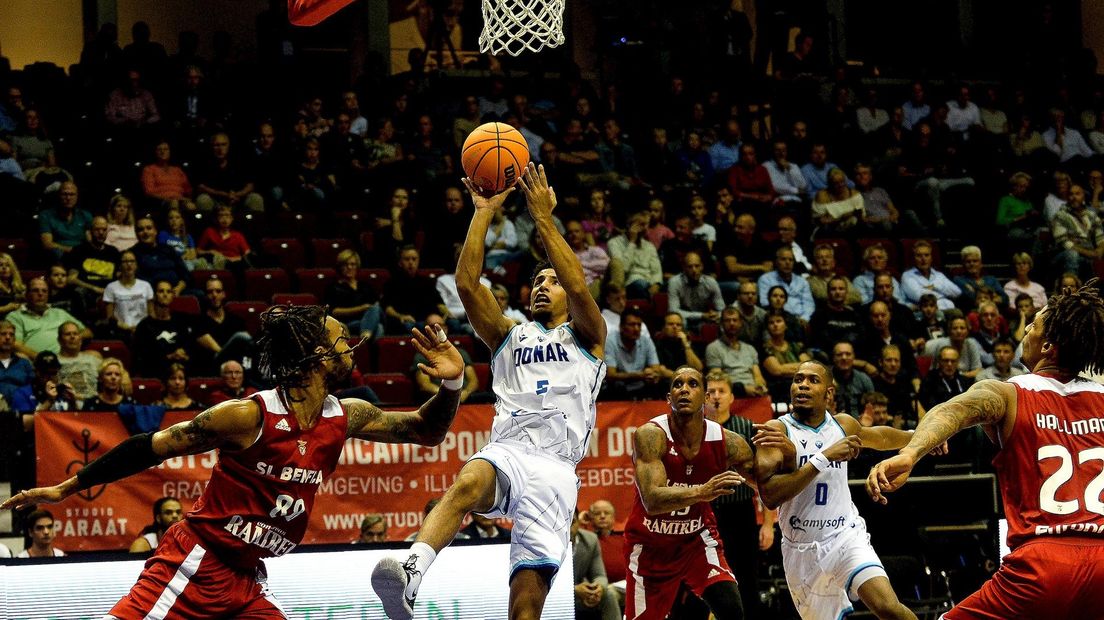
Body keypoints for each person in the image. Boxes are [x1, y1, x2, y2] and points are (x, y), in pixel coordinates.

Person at [1, 305, 466, 617]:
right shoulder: (247, 416)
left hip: (246, 578)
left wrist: (452, 383)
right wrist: (68, 486)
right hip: (196, 563)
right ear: (317, 356)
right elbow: (152, 444)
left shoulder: (343, 415)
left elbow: (426, 430)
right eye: (341, 341)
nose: (349, 348)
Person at [371, 163, 607, 620]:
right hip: (510, 449)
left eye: (551, 281)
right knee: (467, 481)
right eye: (537, 280)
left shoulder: (588, 336)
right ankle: (410, 577)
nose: (544, 285)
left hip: (557, 471)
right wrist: (483, 211)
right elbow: (466, 283)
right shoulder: (508, 335)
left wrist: (542, 218)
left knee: (525, 606)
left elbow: (577, 282)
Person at [866, 280, 1104, 619]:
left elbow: (951, 410)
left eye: (1032, 326)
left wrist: (911, 452)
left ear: (1048, 345)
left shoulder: (1009, 393)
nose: (1024, 333)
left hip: (1042, 563)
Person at [622, 366, 794, 619]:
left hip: (697, 542)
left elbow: (766, 488)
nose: (684, 389)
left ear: (705, 397)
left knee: (732, 609)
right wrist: (702, 491)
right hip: (650, 546)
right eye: (677, 384)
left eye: (693, 384)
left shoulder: (729, 442)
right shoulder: (650, 435)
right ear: (669, 398)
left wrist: (790, 456)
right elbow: (652, 501)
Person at [758, 361, 923, 620]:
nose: (802, 385)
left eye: (812, 380)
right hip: (802, 551)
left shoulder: (843, 425)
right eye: (798, 379)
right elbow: (770, 496)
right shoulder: (778, 431)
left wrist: (920, 438)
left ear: (829, 393)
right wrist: (823, 457)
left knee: (889, 608)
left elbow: (880, 437)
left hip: (844, 536)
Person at [704, 370, 778, 618]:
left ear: (732, 397)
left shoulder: (746, 428)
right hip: (706, 513)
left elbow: (764, 479)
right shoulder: (694, 430)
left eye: (721, 391)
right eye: (711, 392)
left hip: (741, 512)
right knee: (705, 578)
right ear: (704, 398)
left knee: (747, 577)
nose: (716, 397)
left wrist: (768, 524)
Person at [571, 509, 620, 620]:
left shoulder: (590, 539)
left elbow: (599, 575)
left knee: (608, 595)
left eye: (572, 522)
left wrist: (598, 588)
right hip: (552, 598)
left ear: (578, 522)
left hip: (579, 596)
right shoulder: (548, 542)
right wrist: (575, 590)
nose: (568, 529)